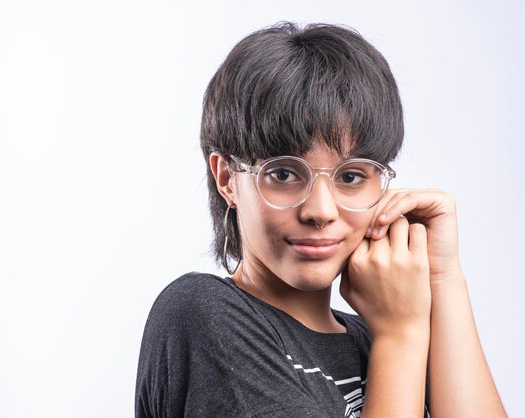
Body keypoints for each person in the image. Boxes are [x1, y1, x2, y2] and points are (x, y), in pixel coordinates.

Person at [135, 22, 506, 417]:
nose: (321, 211)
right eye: (283, 174)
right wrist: (401, 335)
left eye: (351, 177)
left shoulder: (373, 335)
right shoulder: (202, 315)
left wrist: (443, 277)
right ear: (227, 178)